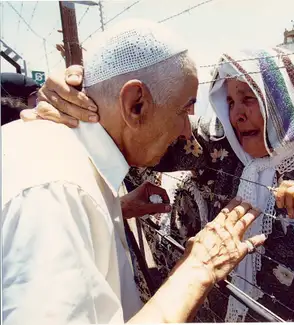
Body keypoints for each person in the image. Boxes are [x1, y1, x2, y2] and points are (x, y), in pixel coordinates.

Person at [26, 17, 294, 321]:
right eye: (229, 101)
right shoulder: (216, 156)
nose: (236, 115)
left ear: (283, 98)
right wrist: (79, 101)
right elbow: (137, 133)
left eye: (249, 98)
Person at [2, 20, 268, 324]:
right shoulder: (55, 195)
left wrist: (116, 209)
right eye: (184, 110)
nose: (186, 132)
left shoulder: (56, 157)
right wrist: (199, 268)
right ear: (135, 105)